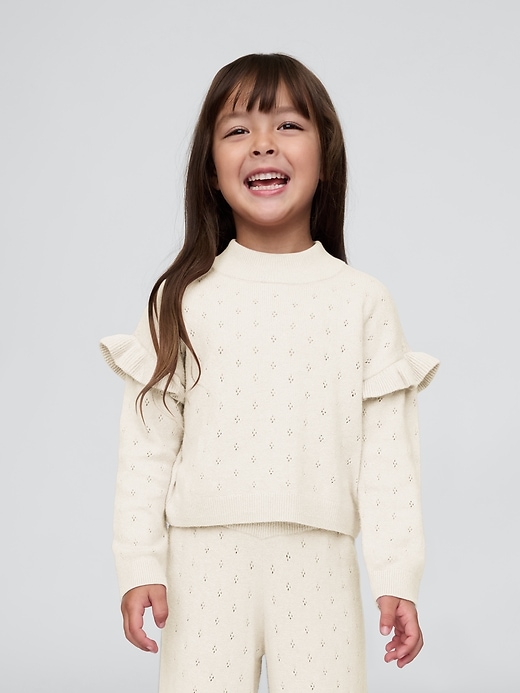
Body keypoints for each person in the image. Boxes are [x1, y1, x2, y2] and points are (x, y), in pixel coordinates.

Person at [100, 53, 439, 692]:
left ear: (325, 154)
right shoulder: (180, 299)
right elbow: (147, 447)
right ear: (210, 169)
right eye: (237, 130)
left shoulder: (361, 301)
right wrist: (139, 564)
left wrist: (398, 575)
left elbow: (388, 459)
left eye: (287, 125)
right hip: (201, 562)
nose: (262, 144)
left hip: (321, 560)